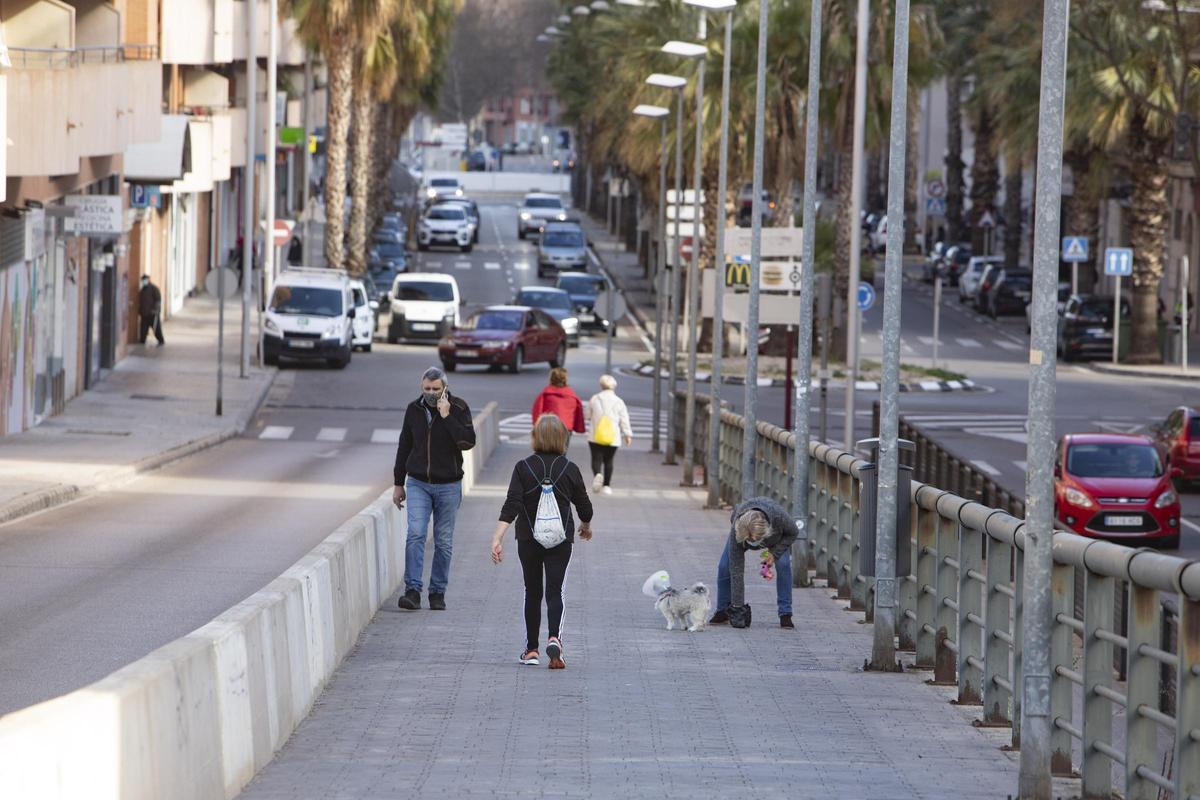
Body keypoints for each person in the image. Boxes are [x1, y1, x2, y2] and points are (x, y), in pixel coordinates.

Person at [491, 415, 593, 669]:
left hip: (528, 538)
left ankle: (531, 650)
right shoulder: (570, 468)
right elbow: (585, 507)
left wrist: (497, 537)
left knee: (532, 591)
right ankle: (555, 638)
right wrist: (585, 525)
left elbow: (512, 504)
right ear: (562, 438)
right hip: (561, 539)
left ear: (535, 437)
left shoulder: (523, 467)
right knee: (556, 591)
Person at [393, 367, 477, 611]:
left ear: (445, 388)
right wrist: (398, 483)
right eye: (427, 389)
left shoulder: (459, 408)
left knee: (443, 540)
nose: (431, 393)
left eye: (435, 389)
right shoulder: (413, 409)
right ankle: (412, 591)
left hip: (448, 485)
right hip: (418, 483)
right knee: (416, 533)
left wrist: (447, 416)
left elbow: (467, 442)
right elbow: (404, 446)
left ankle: (437, 592)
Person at [709, 497, 800, 629]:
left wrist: (774, 553)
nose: (753, 544)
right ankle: (723, 610)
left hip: (776, 539)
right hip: (741, 537)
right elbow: (737, 570)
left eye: (754, 540)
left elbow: (793, 533)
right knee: (724, 566)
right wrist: (738, 607)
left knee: (784, 565)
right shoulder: (738, 528)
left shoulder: (779, 517)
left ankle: (785, 613)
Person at [584, 374, 632, 495]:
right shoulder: (619, 401)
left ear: (601, 385)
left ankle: (597, 475)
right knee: (609, 460)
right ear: (614, 387)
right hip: (613, 438)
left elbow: (587, 415)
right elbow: (624, 419)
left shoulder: (595, 399)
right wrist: (627, 435)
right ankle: (606, 486)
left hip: (595, 436)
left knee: (596, 459)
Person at [532, 367, 585, 441]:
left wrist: (536, 426)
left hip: (548, 428)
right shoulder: (572, 396)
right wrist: (579, 428)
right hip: (566, 428)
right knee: (563, 447)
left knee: (547, 447)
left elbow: (537, 411)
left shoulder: (545, 395)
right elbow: (578, 414)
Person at [138, 275, 164, 346]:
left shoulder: (154, 288)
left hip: (152, 313)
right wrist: (140, 311)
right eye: (143, 280)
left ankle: (161, 340)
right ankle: (142, 340)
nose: (144, 281)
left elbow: (158, 300)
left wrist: (156, 310)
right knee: (143, 328)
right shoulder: (143, 290)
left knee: (156, 328)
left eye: (145, 280)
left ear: (148, 280)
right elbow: (141, 302)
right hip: (144, 313)